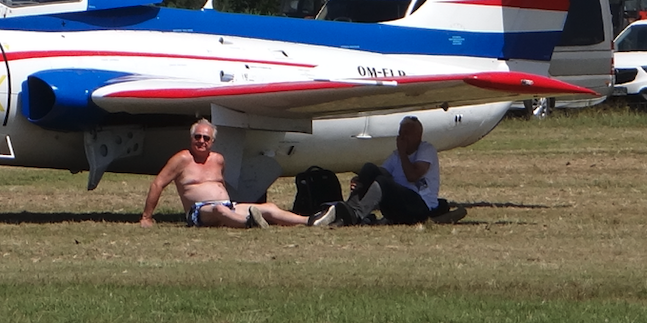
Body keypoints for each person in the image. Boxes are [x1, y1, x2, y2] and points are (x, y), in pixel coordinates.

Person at [139, 119, 324, 228]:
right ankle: (249, 223)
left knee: (268, 207)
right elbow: (158, 183)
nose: (201, 141)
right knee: (219, 210)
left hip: (228, 206)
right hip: (199, 212)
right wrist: (146, 217)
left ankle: (310, 220)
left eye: (206, 138)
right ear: (191, 138)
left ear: (212, 142)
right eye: (197, 137)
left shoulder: (218, 159)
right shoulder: (182, 159)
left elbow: (221, 186)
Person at [343, 115, 442, 225]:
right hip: (400, 203)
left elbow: (412, 176)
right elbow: (383, 172)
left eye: (406, 133)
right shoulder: (396, 155)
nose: (402, 137)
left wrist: (403, 153)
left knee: (383, 182)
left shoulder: (426, 150)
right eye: (400, 133)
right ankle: (348, 209)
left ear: (418, 136)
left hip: (420, 205)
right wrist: (362, 180)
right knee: (369, 168)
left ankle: (357, 214)